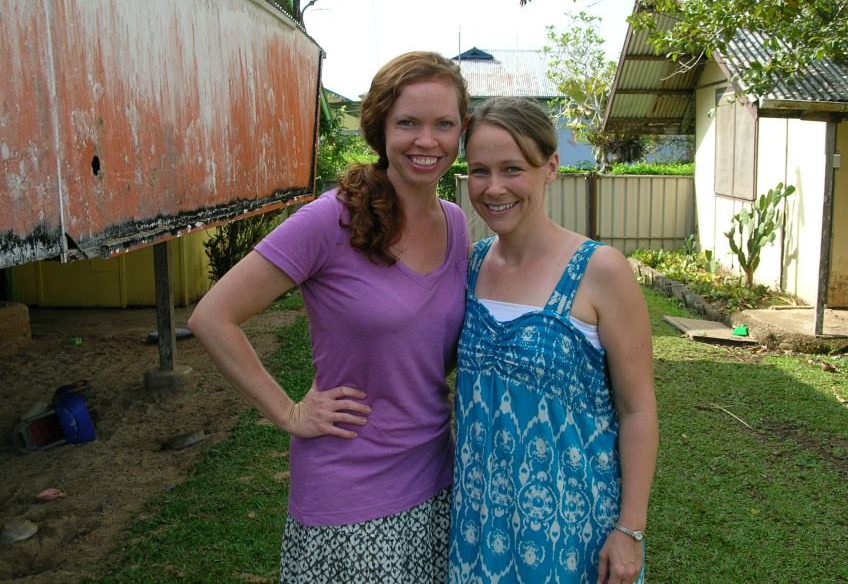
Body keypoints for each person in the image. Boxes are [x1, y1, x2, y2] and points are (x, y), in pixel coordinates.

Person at [188, 51, 470, 584]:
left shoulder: (456, 224)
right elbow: (213, 316)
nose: (426, 141)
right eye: (407, 122)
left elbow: (435, 351)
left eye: (444, 124)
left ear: (462, 132)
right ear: (381, 126)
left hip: (438, 478)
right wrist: (288, 412)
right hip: (352, 494)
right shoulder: (331, 218)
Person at [449, 97, 658, 584]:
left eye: (512, 169)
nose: (494, 188)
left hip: (573, 527)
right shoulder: (470, 265)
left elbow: (637, 410)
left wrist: (631, 528)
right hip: (477, 522)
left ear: (551, 167)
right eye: (479, 170)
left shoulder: (600, 270)